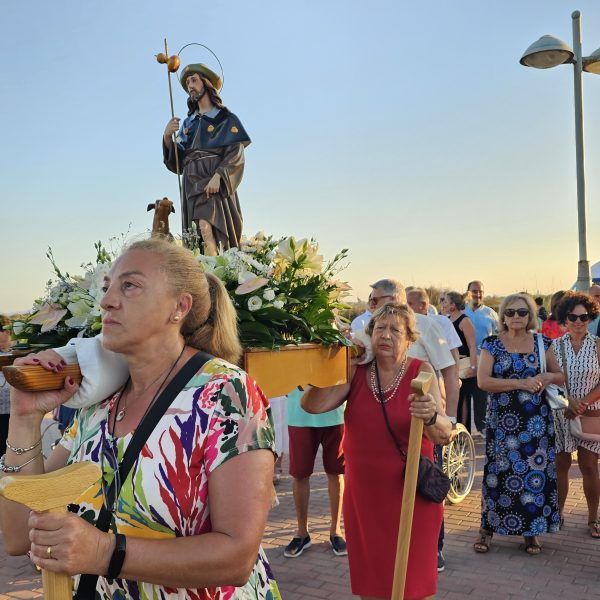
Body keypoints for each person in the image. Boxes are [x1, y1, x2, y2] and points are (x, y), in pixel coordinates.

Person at [0, 237, 279, 599]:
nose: (107, 301)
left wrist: (103, 552)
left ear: (179, 307)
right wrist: (24, 417)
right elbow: (18, 536)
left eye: (129, 285)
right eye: (107, 287)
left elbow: (236, 558)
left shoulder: (224, 392)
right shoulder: (98, 404)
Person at [302, 302, 452, 599]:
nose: (386, 335)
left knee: (413, 582)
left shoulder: (421, 374)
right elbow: (312, 405)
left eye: (395, 330)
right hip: (365, 497)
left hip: (411, 494)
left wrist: (431, 415)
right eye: (379, 328)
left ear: (410, 339)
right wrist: (340, 364)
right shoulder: (356, 373)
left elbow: (443, 434)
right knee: (372, 579)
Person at [474, 293, 563, 556]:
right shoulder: (492, 344)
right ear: (502, 315)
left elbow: (560, 376)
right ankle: (488, 529)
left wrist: (546, 376)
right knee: (497, 476)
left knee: (533, 478)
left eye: (522, 313)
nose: (516, 317)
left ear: (530, 316)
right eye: (511, 312)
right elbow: (483, 382)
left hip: (536, 424)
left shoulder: (541, 342)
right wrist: (520, 383)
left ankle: (531, 532)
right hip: (503, 422)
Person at [163, 64, 251, 255]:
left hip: (212, 179)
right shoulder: (188, 123)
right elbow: (177, 162)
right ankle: (204, 274)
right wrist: (167, 138)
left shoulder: (225, 118)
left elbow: (235, 152)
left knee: (207, 226)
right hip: (191, 180)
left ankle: (214, 277)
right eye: (187, 82)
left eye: (194, 80)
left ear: (206, 83)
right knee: (196, 234)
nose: (190, 86)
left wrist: (219, 175)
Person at [551, 291, 600, 538]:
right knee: (561, 464)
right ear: (565, 319)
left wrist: (582, 403)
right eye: (573, 316)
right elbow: (551, 380)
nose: (579, 321)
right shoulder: (555, 345)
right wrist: (568, 402)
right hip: (562, 412)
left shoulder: (598, 344)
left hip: (591, 412)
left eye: (584, 316)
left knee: (589, 466)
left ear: (591, 317)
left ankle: (594, 518)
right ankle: (557, 514)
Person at [283, 387, 346, 558]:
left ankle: (336, 530)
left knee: (336, 472)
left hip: (335, 411)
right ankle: (302, 533)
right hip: (299, 415)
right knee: (300, 474)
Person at [464, 280, 499, 435]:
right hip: (464, 362)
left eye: (480, 291)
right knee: (463, 397)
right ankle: (463, 430)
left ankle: (481, 427)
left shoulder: (490, 313)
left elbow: (498, 336)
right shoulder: (461, 311)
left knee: (482, 397)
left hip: (484, 362)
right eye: (474, 291)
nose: (477, 294)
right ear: (468, 292)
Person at [440, 291, 478, 432]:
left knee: (463, 399)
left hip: (463, 365)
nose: (442, 304)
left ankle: (463, 431)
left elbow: (472, 346)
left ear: (453, 305)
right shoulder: (446, 320)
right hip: (450, 365)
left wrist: (473, 367)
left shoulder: (465, 321)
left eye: (445, 301)